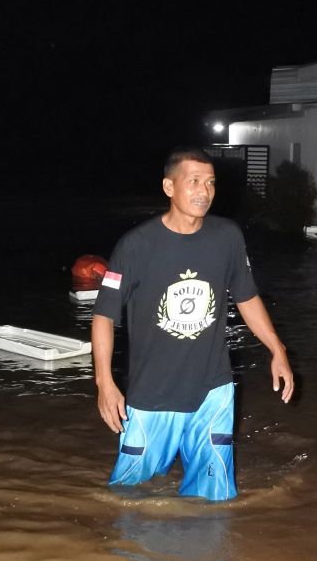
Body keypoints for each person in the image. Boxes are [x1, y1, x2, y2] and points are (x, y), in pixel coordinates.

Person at [92, 148, 293, 501]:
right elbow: (104, 315)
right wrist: (104, 382)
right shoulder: (135, 246)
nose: (204, 191)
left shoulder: (227, 237)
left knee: (215, 500)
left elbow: (247, 297)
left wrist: (277, 349)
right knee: (126, 498)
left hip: (212, 391)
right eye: (194, 181)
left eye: (211, 182)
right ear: (169, 187)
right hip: (152, 394)